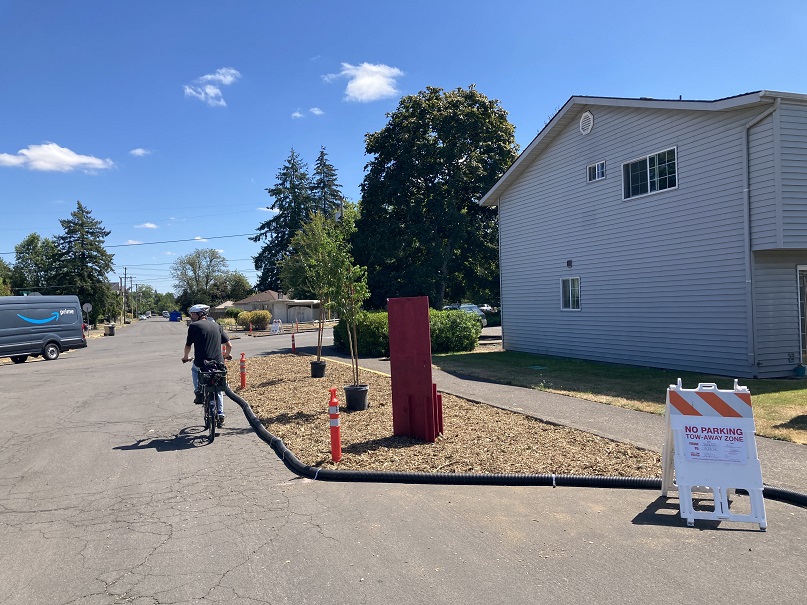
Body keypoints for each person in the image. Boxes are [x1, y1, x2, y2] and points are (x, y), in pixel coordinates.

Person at [181, 304, 232, 426]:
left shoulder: (194, 326)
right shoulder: (217, 326)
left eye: (193, 314)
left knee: (194, 369)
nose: (191, 316)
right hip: (218, 364)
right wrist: (226, 356)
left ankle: (198, 391)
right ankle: (220, 413)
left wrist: (185, 357)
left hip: (202, 364)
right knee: (218, 386)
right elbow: (229, 345)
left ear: (200, 314)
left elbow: (188, 345)